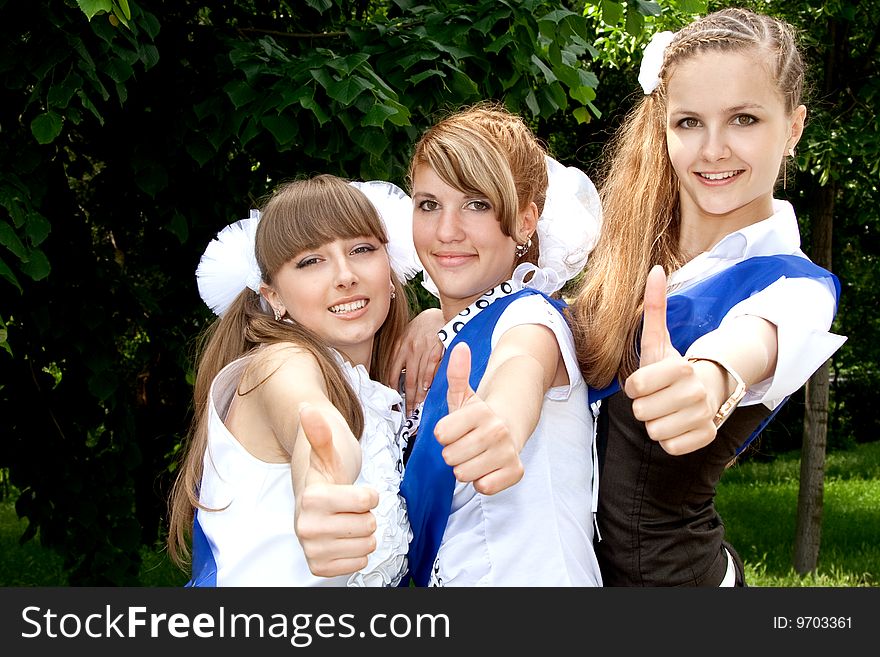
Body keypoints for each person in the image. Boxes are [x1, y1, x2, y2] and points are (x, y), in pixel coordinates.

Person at [568, 8, 847, 586]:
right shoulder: (611, 244)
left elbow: (752, 341)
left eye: (743, 119)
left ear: (793, 129)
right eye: (690, 122)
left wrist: (710, 380)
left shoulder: (797, 288)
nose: (713, 149)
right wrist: (443, 321)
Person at [166, 174, 419, 587]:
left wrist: (433, 321)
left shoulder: (372, 386)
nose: (345, 275)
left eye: (362, 249)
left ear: (389, 271)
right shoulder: (279, 364)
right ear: (274, 296)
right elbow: (311, 421)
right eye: (310, 261)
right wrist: (318, 482)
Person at [397, 104, 604, 586]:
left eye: (476, 204)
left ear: (526, 221)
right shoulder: (439, 341)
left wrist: (503, 425)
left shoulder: (530, 317)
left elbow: (520, 366)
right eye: (429, 204)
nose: (446, 231)